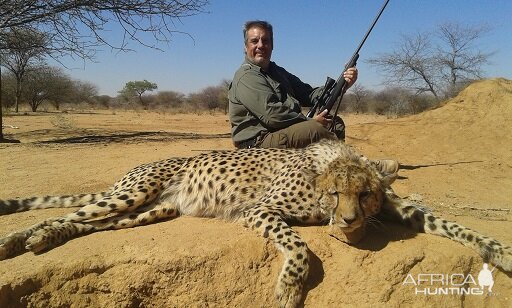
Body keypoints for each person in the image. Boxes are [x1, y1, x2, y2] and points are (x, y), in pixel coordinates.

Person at [228, 20, 398, 176]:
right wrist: (311, 122)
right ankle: (362, 166)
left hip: (279, 133)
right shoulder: (246, 77)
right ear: (245, 46)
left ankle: (336, 171)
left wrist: (342, 84)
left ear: (272, 45)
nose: (260, 45)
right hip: (257, 144)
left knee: (335, 123)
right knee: (315, 130)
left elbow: (309, 94)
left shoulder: (277, 71)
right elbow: (272, 115)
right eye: (254, 41)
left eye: (265, 41)